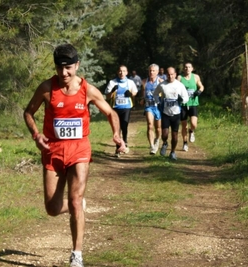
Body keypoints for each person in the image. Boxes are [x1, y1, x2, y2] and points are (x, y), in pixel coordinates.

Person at [23, 43, 126, 267]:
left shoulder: (87, 89)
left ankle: (76, 255)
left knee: (75, 200)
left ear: (77, 65)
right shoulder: (46, 88)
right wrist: (36, 135)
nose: (64, 73)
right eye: (60, 68)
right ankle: (75, 205)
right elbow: (28, 112)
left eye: (69, 68)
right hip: (53, 151)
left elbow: (110, 112)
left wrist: (116, 134)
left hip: (79, 149)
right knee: (51, 209)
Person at [153, 67, 189, 160]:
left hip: (176, 113)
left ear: (175, 74)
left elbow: (186, 98)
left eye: (172, 74)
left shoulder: (180, 85)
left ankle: (173, 152)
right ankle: (165, 143)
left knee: (174, 135)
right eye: (168, 74)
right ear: (166, 74)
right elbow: (155, 94)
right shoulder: (162, 85)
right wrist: (158, 101)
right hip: (165, 113)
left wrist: (182, 100)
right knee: (164, 134)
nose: (170, 76)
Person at [105, 65, 138, 157]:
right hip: (115, 108)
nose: (122, 73)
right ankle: (118, 147)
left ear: (127, 72)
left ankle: (125, 141)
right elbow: (107, 96)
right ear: (117, 72)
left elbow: (135, 93)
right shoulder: (112, 82)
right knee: (117, 128)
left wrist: (130, 94)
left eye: (124, 71)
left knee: (124, 125)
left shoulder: (130, 82)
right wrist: (112, 91)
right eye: (120, 71)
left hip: (126, 107)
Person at [177, 62, 205, 152]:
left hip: (193, 103)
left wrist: (199, 91)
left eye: (189, 67)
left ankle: (191, 131)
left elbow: (201, 86)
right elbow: (175, 87)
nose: (187, 69)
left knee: (194, 124)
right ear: (183, 69)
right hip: (183, 105)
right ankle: (185, 143)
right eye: (185, 67)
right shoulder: (180, 77)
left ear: (192, 69)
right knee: (184, 125)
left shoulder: (196, 77)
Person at [140, 64, 164, 155]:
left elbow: (165, 93)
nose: (151, 72)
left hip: (158, 107)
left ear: (157, 72)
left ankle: (157, 139)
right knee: (150, 125)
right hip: (148, 106)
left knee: (158, 128)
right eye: (150, 70)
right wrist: (142, 99)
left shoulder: (161, 81)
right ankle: (152, 146)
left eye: (153, 71)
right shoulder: (144, 82)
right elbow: (143, 94)